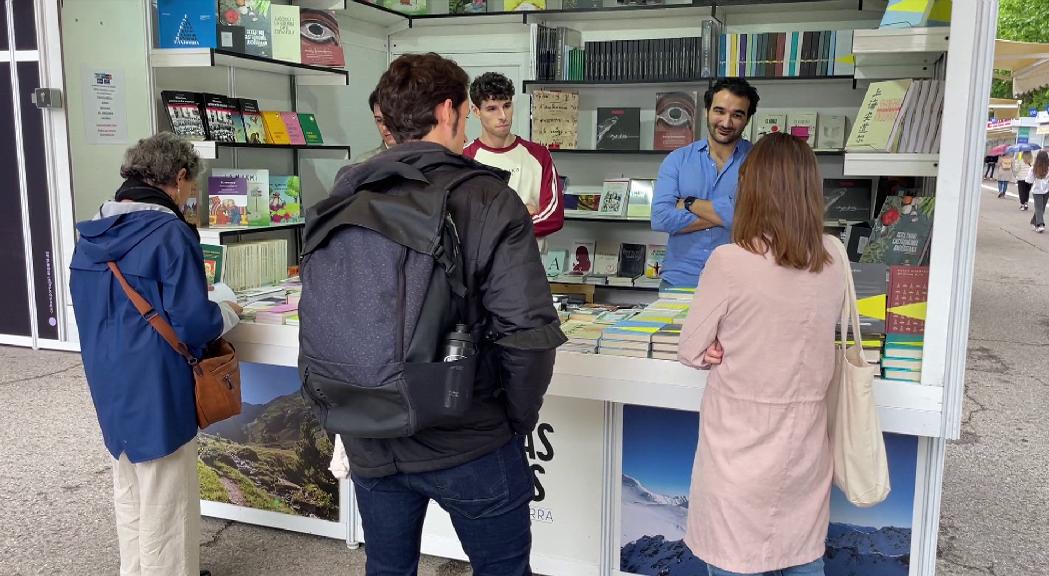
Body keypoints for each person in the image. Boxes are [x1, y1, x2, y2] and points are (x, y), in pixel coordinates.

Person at [316, 53, 565, 575]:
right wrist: (512, 422)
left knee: (387, 569)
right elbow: (527, 337)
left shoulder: (346, 192)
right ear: (451, 110)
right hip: (470, 433)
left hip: (369, 431)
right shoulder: (488, 197)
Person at [69, 132, 242, 576]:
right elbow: (192, 323)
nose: (190, 198)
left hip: (107, 378)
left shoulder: (90, 232)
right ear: (179, 178)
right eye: (190, 189)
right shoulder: (170, 232)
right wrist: (227, 313)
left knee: (129, 487)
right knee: (168, 496)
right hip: (159, 380)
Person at [676, 133, 846, 576]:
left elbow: (691, 347)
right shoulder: (834, 255)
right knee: (803, 559)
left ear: (753, 187)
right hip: (805, 454)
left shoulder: (729, 261)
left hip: (738, 454)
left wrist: (714, 345)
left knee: (734, 561)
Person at [651, 78, 759, 287]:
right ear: (707, 111)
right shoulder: (677, 159)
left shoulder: (760, 162)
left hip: (740, 283)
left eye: (737, 115)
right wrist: (732, 213)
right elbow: (660, 218)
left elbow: (760, 219)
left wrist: (690, 203)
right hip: (680, 281)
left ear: (747, 119)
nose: (726, 123)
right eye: (719, 111)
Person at [463, 72, 564, 240]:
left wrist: (493, 225)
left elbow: (553, 217)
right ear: (476, 111)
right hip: (481, 265)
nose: (503, 116)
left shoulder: (539, 155)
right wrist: (523, 213)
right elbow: (464, 221)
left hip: (529, 263)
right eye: (492, 108)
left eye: (507, 106)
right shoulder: (464, 157)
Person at [349, 88, 398, 164]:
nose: (384, 127)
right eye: (379, 120)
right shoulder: (363, 163)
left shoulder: (420, 159)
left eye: (390, 119)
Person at [1026, 150, 1049, 233]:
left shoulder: (1033, 168)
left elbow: (1028, 180)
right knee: (1040, 208)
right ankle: (1040, 224)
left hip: (1041, 190)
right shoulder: (1033, 168)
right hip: (1041, 191)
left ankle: (1034, 222)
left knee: (1041, 208)